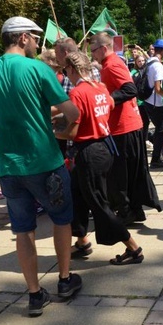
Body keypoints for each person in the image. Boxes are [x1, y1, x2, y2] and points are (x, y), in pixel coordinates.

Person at [0, 16, 82, 316]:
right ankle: (64, 279)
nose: (38, 43)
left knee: (24, 230)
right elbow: (72, 113)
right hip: (45, 160)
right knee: (61, 219)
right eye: (35, 37)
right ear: (22, 38)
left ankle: (35, 295)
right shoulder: (37, 69)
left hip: (10, 166)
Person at [58, 51, 144, 266]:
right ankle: (81, 240)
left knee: (99, 202)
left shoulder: (77, 92)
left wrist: (48, 132)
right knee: (76, 194)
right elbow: (99, 112)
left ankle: (133, 247)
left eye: (65, 70)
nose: (65, 73)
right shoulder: (101, 88)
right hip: (104, 147)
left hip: (89, 151)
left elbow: (72, 132)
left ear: (71, 69)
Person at [88, 32, 161, 227]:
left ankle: (127, 211)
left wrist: (109, 100)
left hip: (124, 128)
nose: (92, 55)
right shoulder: (110, 64)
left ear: (103, 48)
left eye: (93, 51)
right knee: (128, 173)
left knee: (120, 175)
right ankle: (133, 210)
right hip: (125, 126)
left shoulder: (112, 65)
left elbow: (130, 89)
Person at [142, 39, 163, 168]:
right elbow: (158, 89)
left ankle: (157, 156)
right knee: (162, 130)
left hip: (147, 100)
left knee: (160, 130)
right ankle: (155, 159)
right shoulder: (158, 65)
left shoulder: (149, 62)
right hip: (156, 102)